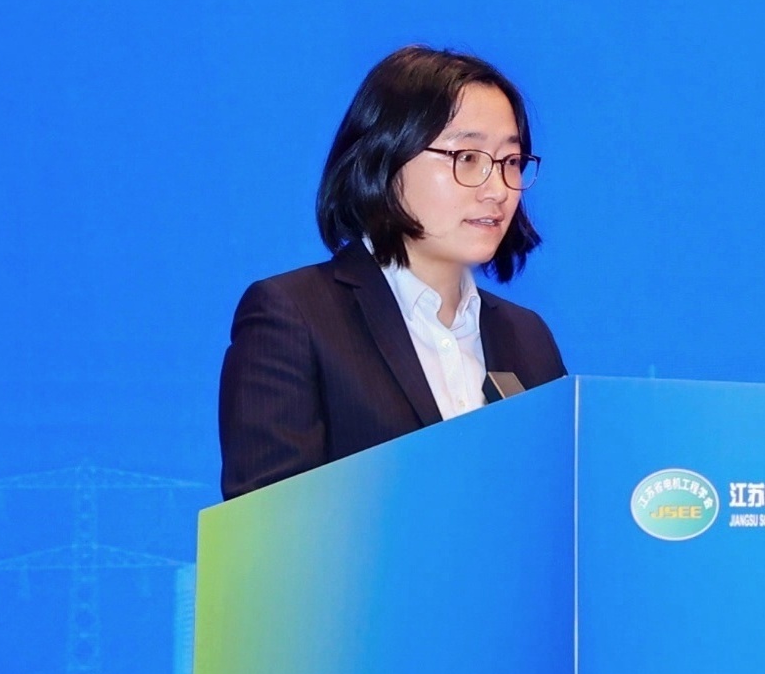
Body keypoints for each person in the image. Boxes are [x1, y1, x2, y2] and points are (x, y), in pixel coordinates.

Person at [217, 45, 566, 498]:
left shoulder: (528, 337)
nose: (498, 189)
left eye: (510, 162)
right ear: (385, 159)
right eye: (468, 158)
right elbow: (269, 527)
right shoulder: (293, 318)